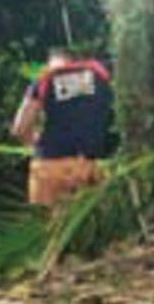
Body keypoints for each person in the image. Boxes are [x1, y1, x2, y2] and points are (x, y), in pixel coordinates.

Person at [10, 47, 114, 206]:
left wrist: (32, 142)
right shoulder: (100, 76)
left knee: (51, 227)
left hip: (50, 166)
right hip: (92, 165)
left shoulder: (45, 80)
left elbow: (20, 128)